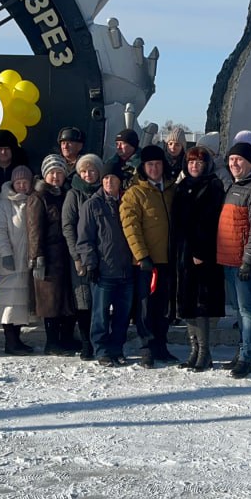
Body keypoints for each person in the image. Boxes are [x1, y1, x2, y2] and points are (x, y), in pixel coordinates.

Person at [216, 140, 251, 378]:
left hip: (244, 262)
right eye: (231, 160)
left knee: (248, 311)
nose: (234, 164)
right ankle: (241, 353)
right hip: (228, 259)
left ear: (250, 162)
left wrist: (249, 260)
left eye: (239, 160)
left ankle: (248, 357)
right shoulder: (234, 186)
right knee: (239, 311)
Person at [120, 144, 178, 367]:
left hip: (168, 259)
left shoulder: (172, 189)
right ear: (143, 167)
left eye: (157, 164)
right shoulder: (135, 192)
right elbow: (130, 226)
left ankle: (161, 345)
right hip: (146, 262)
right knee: (145, 307)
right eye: (150, 165)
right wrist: (141, 255)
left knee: (164, 307)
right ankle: (147, 347)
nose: (154, 169)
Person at [171, 146, 226, 372]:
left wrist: (200, 251)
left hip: (203, 256)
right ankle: (193, 350)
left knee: (201, 305)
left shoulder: (213, 186)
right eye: (191, 162)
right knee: (187, 305)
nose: (195, 166)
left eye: (199, 162)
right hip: (183, 254)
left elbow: (212, 221)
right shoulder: (182, 186)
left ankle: (205, 352)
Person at [77, 166, 136, 366]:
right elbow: (85, 239)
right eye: (105, 178)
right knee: (100, 315)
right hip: (103, 270)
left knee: (122, 315)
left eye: (113, 178)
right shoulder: (92, 205)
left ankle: (116, 348)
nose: (109, 182)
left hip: (126, 268)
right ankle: (101, 349)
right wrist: (91, 264)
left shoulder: (127, 202)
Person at [28, 154, 80, 356]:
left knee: (67, 300)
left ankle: (66, 338)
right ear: (44, 175)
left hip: (66, 254)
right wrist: (37, 255)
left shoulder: (67, 194)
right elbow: (34, 229)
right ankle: (52, 342)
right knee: (50, 301)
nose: (56, 177)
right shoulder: (38, 197)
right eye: (52, 173)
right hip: (48, 256)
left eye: (59, 172)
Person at [62, 153, 103, 360]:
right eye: (84, 171)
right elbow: (67, 226)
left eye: (92, 170)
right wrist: (76, 256)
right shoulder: (73, 194)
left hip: (104, 254)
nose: (88, 174)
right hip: (80, 255)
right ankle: (87, 342)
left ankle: (100, 340)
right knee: (84, 300)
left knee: (101, 300)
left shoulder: (105, 191)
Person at [0, 165, 37, 355]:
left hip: (27, 261)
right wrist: (5, 253)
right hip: (10, 260)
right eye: (18, 182)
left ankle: (17, 340)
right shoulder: (4, 204)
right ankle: (9, 342)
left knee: (21, 304)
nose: (21, 186)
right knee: (9, 302)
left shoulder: (33, 201)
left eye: (25, 182)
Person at [0, 129, 29, 199]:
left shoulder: (24, 172)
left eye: (7, 148)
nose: (3, 152)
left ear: (13, 150)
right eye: (0, 149)